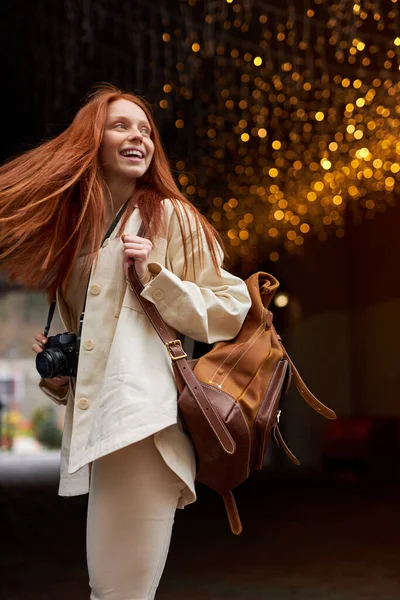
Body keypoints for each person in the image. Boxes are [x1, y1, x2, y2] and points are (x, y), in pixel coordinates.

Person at [0, 83, 251, 599]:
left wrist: (155, 274)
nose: (139, 137)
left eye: (146, 131)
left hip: (146, 423)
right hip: (108, 426)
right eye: (121, 126)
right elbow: (101, 347)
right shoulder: (79, 234)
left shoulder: (171, 217)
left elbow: (231, 310)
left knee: (117, 593)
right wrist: (61, 369)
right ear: (92, 142)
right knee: (112, 590)